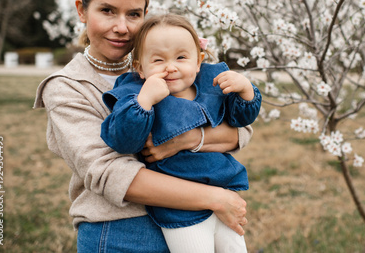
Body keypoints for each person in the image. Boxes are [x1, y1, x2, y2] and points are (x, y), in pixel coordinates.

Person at [33, 0, 252, 253]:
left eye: (133, 14)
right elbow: (110, 173)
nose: (121, 27)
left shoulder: (167, 66)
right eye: (107, 10)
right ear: (82, 10)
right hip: (123, 231)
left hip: (197, 219)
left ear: (146, 15)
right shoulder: (67, 86)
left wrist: (187, 140)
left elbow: (240, 130)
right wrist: (215, 198)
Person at [100, 14, 261, 252]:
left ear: (198, 62)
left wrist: (247, 91)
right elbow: (124, 141)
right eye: (158, 60)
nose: (171, 67)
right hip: (179, 206)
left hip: (224, 188)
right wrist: (144, 101)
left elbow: (241, 120)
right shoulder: (137, 94)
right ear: (140, 68)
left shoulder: (211, 86)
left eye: (181, 57)